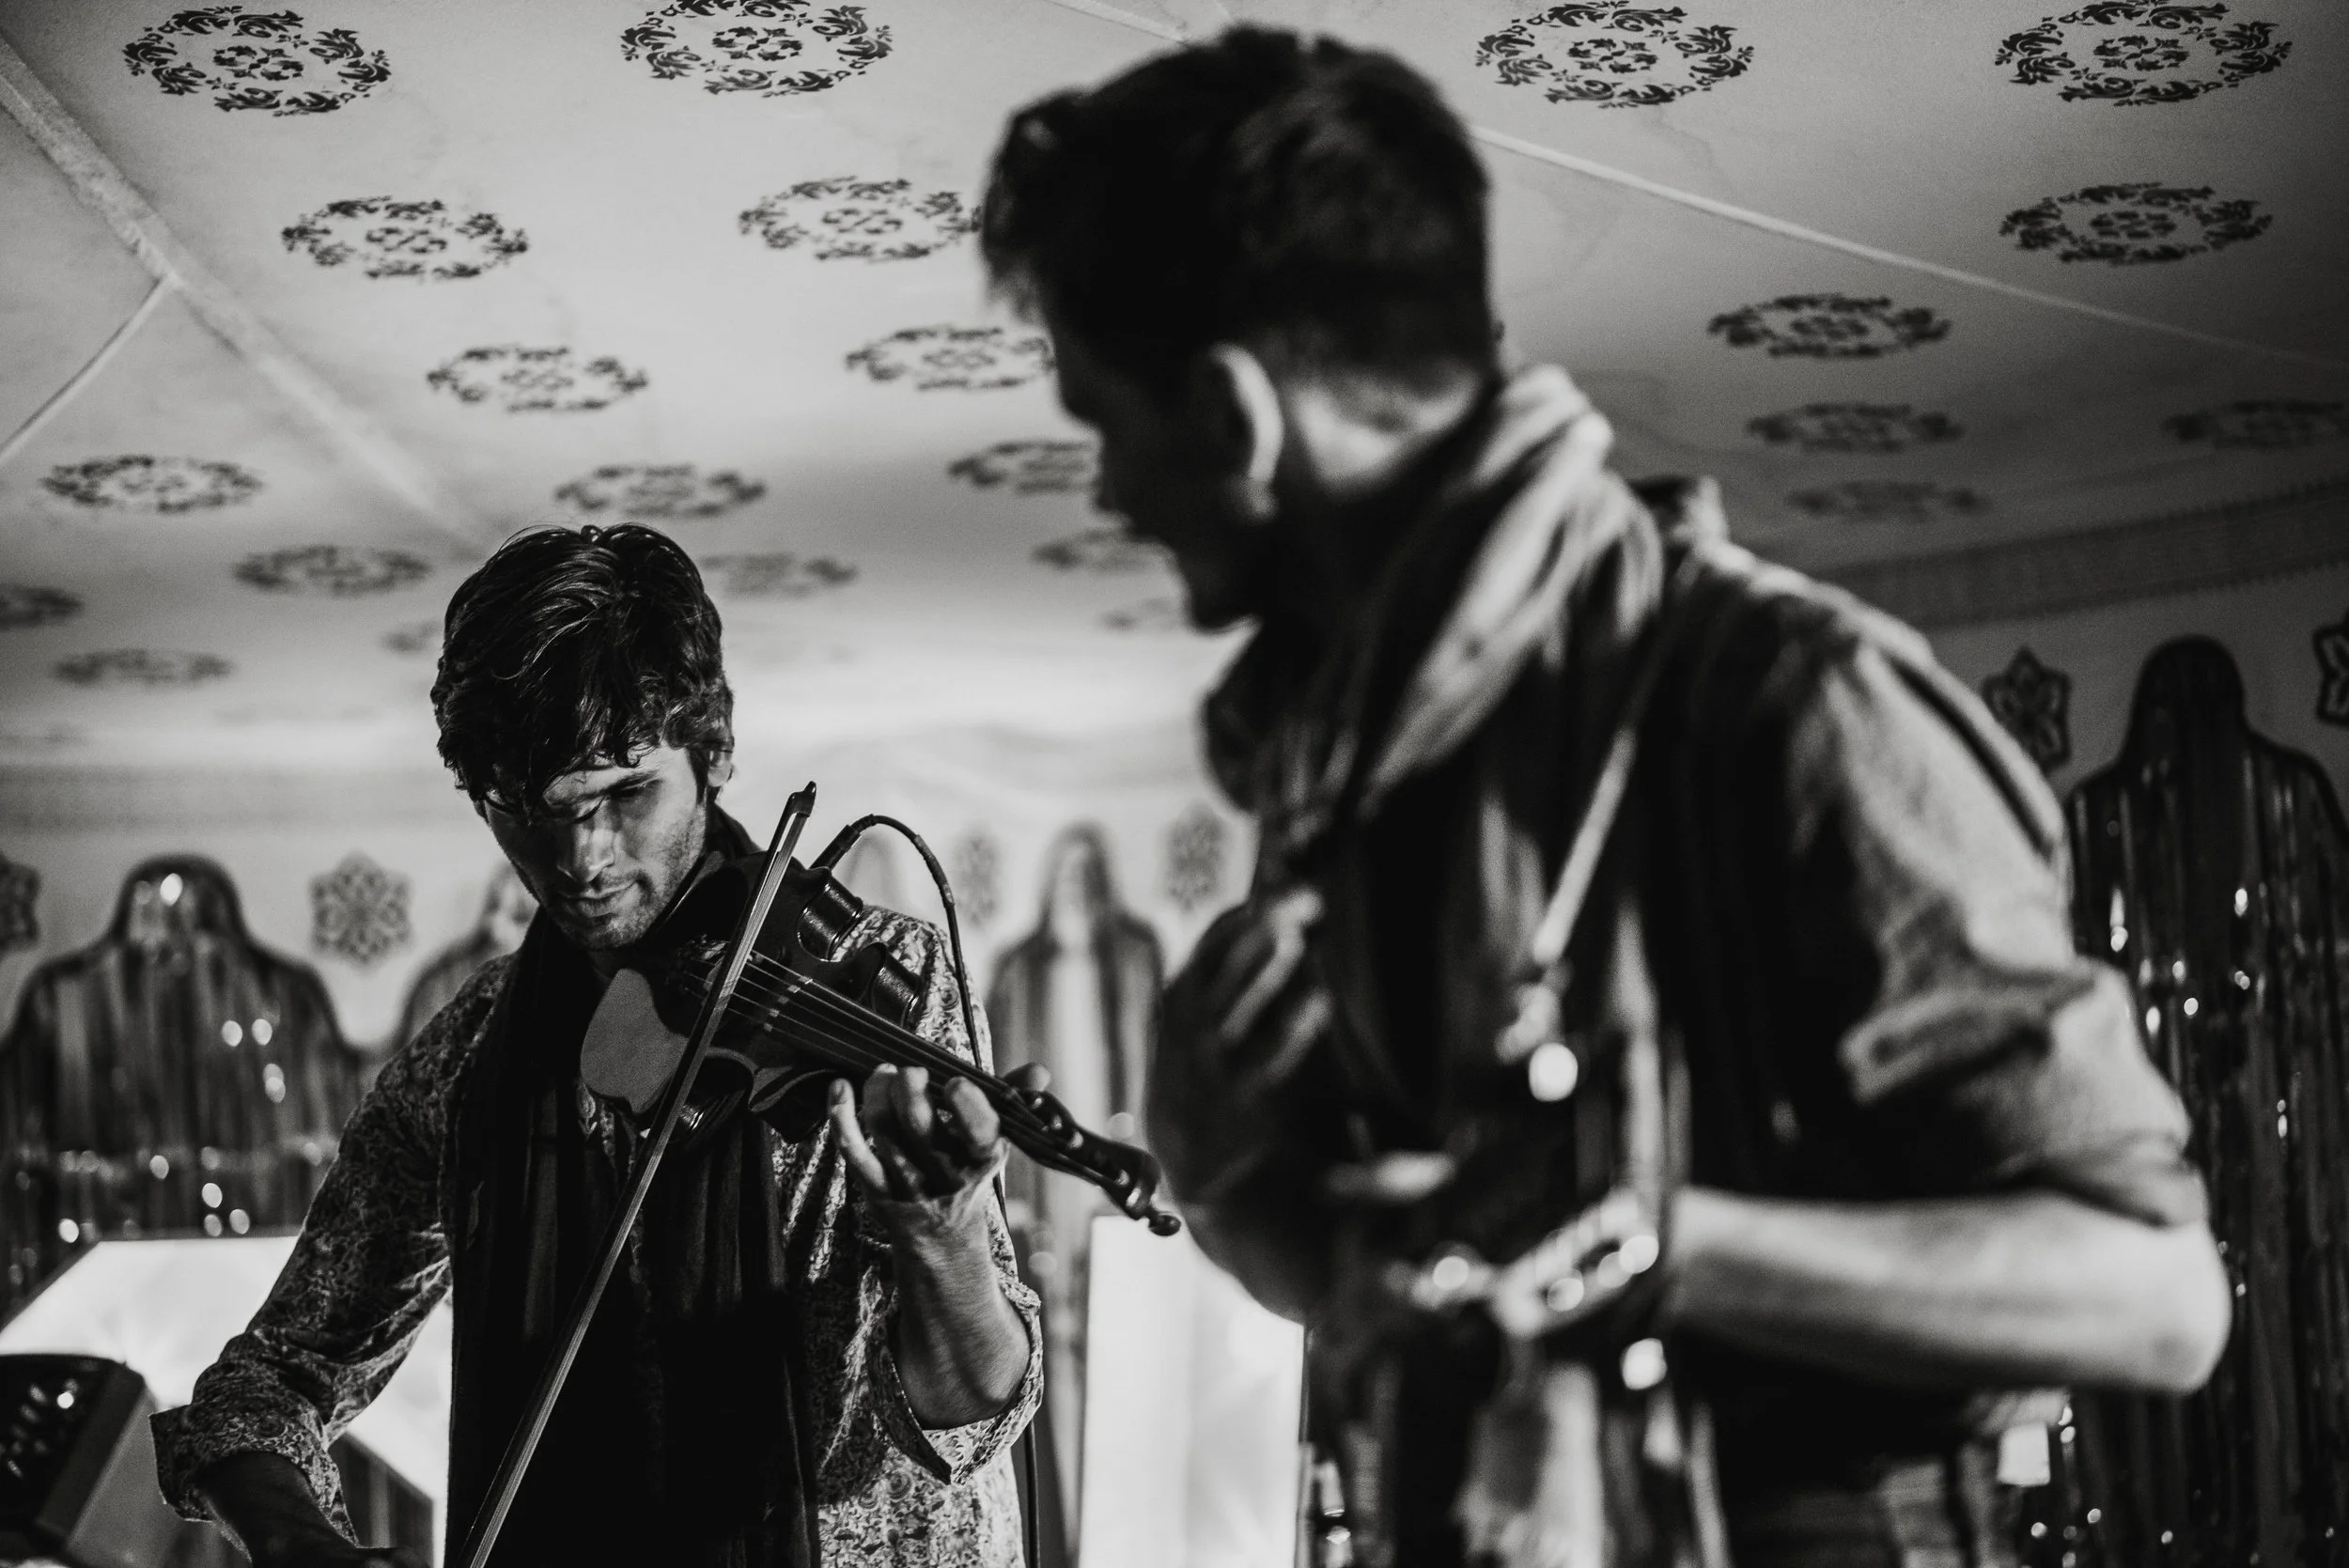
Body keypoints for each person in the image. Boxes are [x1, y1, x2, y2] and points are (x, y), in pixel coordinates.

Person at [979, 29, 2231, 1568]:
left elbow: (2156, 1293)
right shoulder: (1349, 785)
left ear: (1237, 413)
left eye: (1110, 425)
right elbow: (1431, 1288)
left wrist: (1650, 1236)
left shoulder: (1787, 700)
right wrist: (1244, 1181)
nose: (1108, 492)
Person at [152, 525, 1041, 1568]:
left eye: (625, 794)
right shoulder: (468, 1056)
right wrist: (302, 1542)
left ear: (711, 754)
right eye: (528, 811)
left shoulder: (867, 987)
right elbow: (264, 1384)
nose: (581, 858)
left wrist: (940, 1241)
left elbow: (968, 1407)